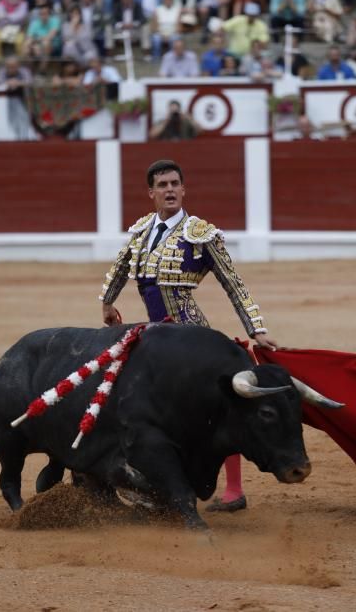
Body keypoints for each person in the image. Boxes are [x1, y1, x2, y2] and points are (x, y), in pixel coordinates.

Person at [100, 159, 278, 512]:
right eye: (162, 185)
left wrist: (256, 329)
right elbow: (120, 268)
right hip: (154, 336)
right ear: (151, 192)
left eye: (174, 184)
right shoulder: (141, 232)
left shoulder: (201, 234)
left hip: (191, 333)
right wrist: (107, 302)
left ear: (183, 189)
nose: (169, 190)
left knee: (219, 406)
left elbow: (234, 284)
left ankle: (233, 491)